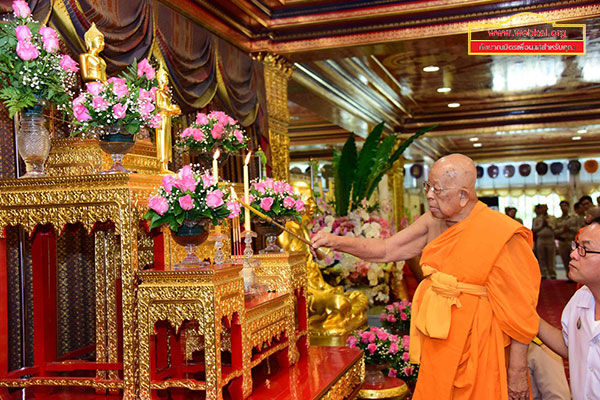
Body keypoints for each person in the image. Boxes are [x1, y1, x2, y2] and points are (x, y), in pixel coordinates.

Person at [312, 154, 540, 400]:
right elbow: (387, 249)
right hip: (439, 341)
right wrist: (336, 241)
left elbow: (521, 309)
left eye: (438, 190)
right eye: (428, 186)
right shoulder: (433, 221)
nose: (429, 195)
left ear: (463, 195)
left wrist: (517, 370)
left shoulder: (501, 233)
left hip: (482, 345)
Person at [537, 217, 600, 400]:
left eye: (584, 250)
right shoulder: (582, 298)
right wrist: (531, 319)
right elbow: (573, 346)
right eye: (576, 246)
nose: (573, 254)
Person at [155, 64, 181, 174]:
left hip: (167, 118)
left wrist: (174, 110)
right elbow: (160, 106)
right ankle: (162, 165)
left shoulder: (166, 93)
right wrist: (170, 108)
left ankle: (166, 165)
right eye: (165, 78)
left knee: (167, 142)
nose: (166, 80)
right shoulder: (158, 92)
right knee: (162, 141)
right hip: (161, 118)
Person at [532, 204, 557, 279]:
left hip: (550, 238)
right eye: (542, 208)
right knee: (541, 257)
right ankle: (543, 273)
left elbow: (555, 227)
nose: (544, 209)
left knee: (551, 257)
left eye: (545, 208)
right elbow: (534, 229)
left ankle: (552, 273)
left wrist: (548, 224)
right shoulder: (536, 219)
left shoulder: (552, 218)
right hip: (541, 239)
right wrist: (542, 225)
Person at [554, 200, 578, 271]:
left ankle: (575, 277)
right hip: (562, 242)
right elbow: (555, 231)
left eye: (565, 206)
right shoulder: (558, 220)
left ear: (568, 207)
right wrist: (562, 230)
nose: (563, 208)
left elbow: (578, 229)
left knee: (574, 259)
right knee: (565, 260)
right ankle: (568, 276)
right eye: (562, 206)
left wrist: (569, 228)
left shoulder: (574, 218)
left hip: (572, 241)